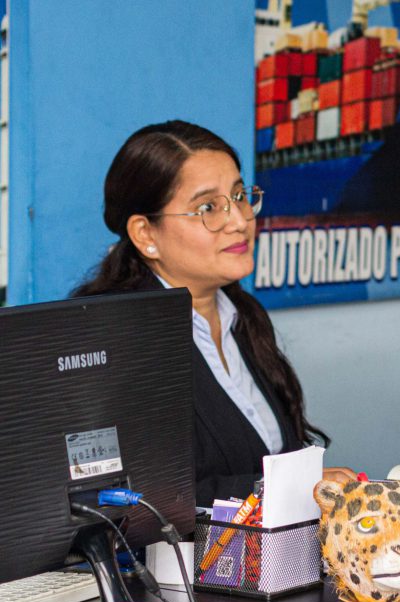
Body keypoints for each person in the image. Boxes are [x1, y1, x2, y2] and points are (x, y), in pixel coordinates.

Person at [74, 120, 354, 506]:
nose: (239, 221)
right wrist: (285, 489)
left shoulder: (244, 315)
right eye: (207, 207)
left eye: (239, 196)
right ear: (145, 234)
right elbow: (135, 499)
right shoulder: (114, 339)